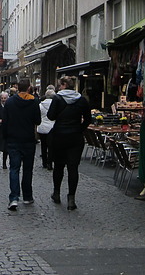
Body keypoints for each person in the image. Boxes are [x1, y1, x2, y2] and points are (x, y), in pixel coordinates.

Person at [47, 76, 92, 210]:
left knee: (59, 166)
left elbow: (50, 116)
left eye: (60, 85)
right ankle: (71, 198)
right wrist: (79, 129)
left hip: (59, 136)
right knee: (73, 168)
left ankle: (56, 193)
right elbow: (88, 119)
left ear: (65, 85)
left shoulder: (57, 99)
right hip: (75, 138)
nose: (59, 87)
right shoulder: (81, 99)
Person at [2, 78, 41, 211]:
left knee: (14, 169)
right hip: (28, 139)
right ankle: (28, 196)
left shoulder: (10, 102)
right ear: (29, 87)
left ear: (17, 87)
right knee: (27, 169)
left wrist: (5, 137)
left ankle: (13, 198)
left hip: (13, 139)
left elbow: (5, 121)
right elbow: (38, 120)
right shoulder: (34, 101)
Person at [38, 85, 56, 170]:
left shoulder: (41, 105)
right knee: (51, 146)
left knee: (43, 145)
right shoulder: (55, 105)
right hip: (52, 127)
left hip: (42, 127)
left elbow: (38, 115)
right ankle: (50, 163)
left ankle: (44, 162)